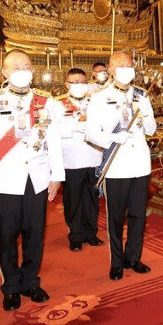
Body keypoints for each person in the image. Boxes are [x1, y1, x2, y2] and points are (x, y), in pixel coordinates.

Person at [0, 50, 64, 311]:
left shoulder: (47, 102)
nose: (22, 69)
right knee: (7, 237)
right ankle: (10, 286)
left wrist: (57, 174)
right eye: (16, 66)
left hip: (38, 179)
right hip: (3, 180)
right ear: (5, 72)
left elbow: (54, 140)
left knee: (35, 236)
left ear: (32, 71)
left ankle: (31, 281)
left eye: (27, 65)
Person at [86, 51, 157, 281]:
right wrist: (111, 139)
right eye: (121, 65)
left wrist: (146, 112)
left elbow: (151, 130)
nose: (126, 68)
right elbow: (91, 133)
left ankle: (133, 258)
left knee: (138, 215)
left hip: (140, 164)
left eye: (129, 64)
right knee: (115, 217)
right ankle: (116, 262)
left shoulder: (141, 95)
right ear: (111, 69)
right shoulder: (99, 97)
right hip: (116, 165)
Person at [57, 68, 104, 252]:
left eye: (82, 82)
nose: (79, 86)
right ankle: (75, 236)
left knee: (91, 198)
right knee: (73, 199)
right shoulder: (58, 104)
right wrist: (76, 127)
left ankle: (91, 233)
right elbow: (54, 131)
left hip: (92, 156)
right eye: (74, 82)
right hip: (71, 159)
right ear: (67, 84)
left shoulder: (94, 101)